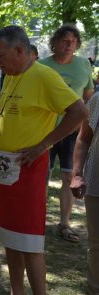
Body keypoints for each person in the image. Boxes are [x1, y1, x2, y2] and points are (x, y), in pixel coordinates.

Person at [0, 25, 88, 294]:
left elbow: (79, 110)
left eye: (1, 55)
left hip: (28, 168)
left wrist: (45, 144)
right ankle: (16, 290)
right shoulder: (10, 75)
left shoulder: (44, 75)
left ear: (20, 50)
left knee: (29, 240)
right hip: (4, 166)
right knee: (10, 236)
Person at [39, 24, 94, 243]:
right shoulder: (42, 66)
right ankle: (37, 221)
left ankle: (64, 223)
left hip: (73, 131)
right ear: (55, 42)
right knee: (42, 177)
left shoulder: (83, 65)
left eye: (73, 40)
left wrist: (86, 127)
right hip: (46, 130)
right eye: (65, 40)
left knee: (68, 177)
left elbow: (88, 96)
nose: (69, 44)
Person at [70, 92, 99, 294]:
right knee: (97, 244)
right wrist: (77, 173)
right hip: (97, 183)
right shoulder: (98, 99)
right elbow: (83, 138)